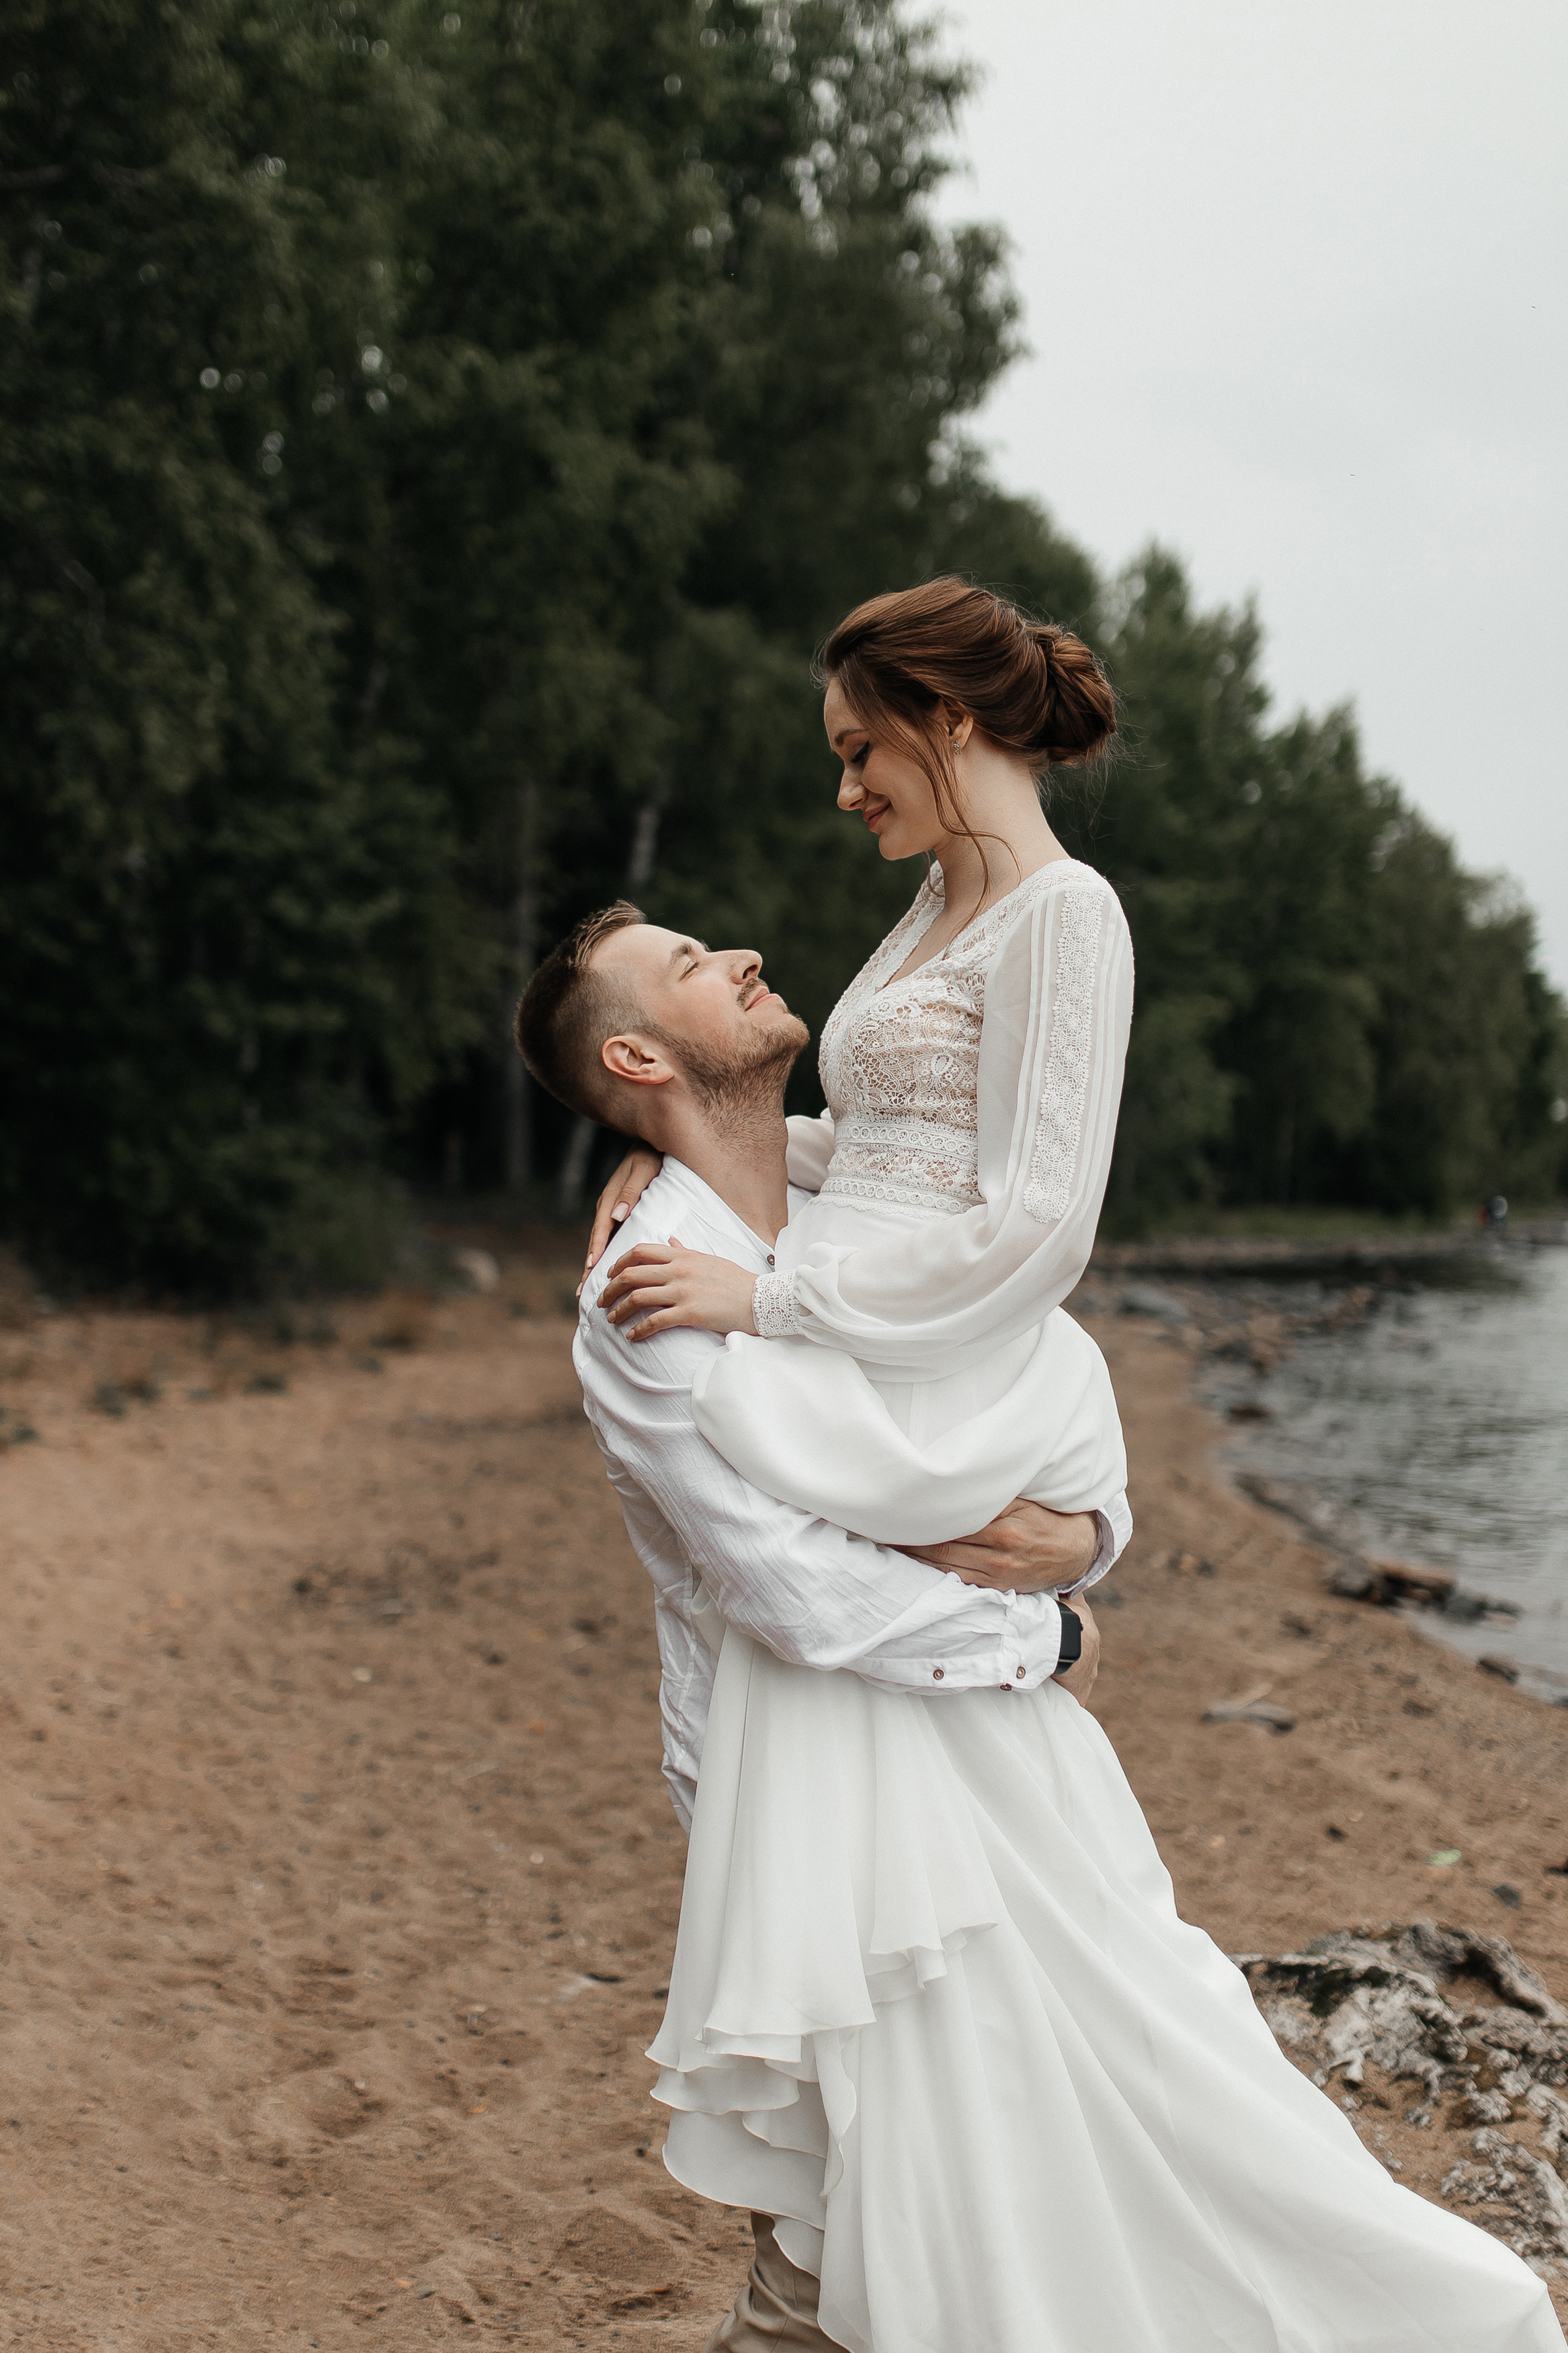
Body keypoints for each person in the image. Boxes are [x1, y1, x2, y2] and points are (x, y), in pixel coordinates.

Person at [526, 580, 1565, 2352]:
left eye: (861, 747)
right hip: (871, 1410)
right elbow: (909, 1140)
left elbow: (1033, 1221)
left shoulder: (1066, 912)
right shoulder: (931, 909)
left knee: (1076, 1985)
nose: (846, 787)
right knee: (958, 2051)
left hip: (939, 1365)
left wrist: (763, 1267)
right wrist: (671, 1155)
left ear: (946, 716)